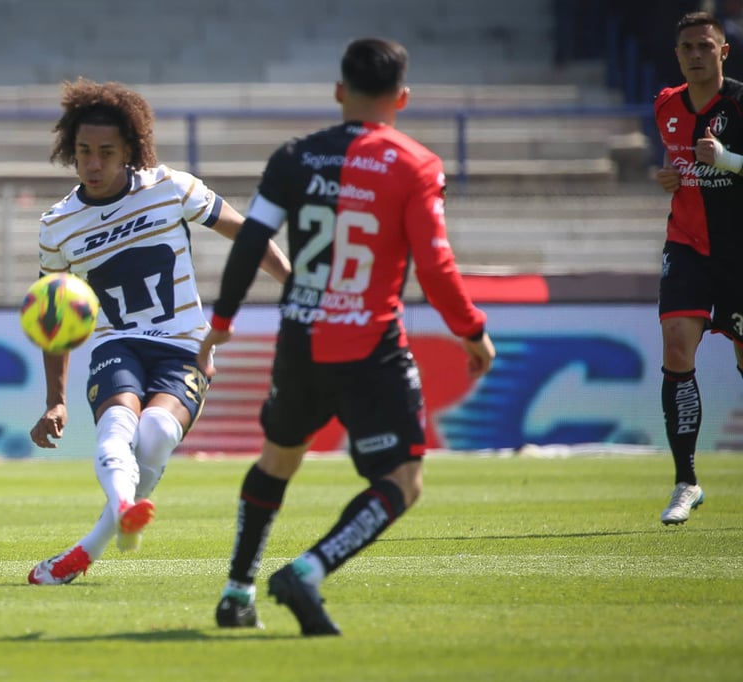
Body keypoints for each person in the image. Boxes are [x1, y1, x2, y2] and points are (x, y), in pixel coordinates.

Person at [196, 38, 496, 635]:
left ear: (339, 92)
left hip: (300, 339)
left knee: (277, 459)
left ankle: (236, 592)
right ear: (402, 98)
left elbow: (253, 241)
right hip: (370, 346)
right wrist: (473, 332)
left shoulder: (295, 157)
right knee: (402, 481)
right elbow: (436, 269)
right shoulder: (417, 165)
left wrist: (222, 322)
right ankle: (309, 570)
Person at [27, 78, 290, 585]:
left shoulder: (171, 187)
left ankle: (87, 548)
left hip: (183, 345)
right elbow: (53, 317)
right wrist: (55, 400)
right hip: (116, 343)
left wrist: (295, 285)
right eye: (83, 151)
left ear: (132, 150)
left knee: (154, 434)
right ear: (70, 150)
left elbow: (249, 234)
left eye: (106, 151)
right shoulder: (58, 225)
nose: (94, 163)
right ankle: (125, 507)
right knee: (118, 427)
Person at [653, 12, 743, 525]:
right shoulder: (666, 103)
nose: (695, 54)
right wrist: (667, 178)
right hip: (686, 244)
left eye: (704, 46)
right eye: (686, 46)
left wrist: (728, 161)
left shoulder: (739, 102)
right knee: (675, 346)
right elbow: (675, 165)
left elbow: (724, 164)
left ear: (723, 51)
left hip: (738, 252)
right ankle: (686, 481)